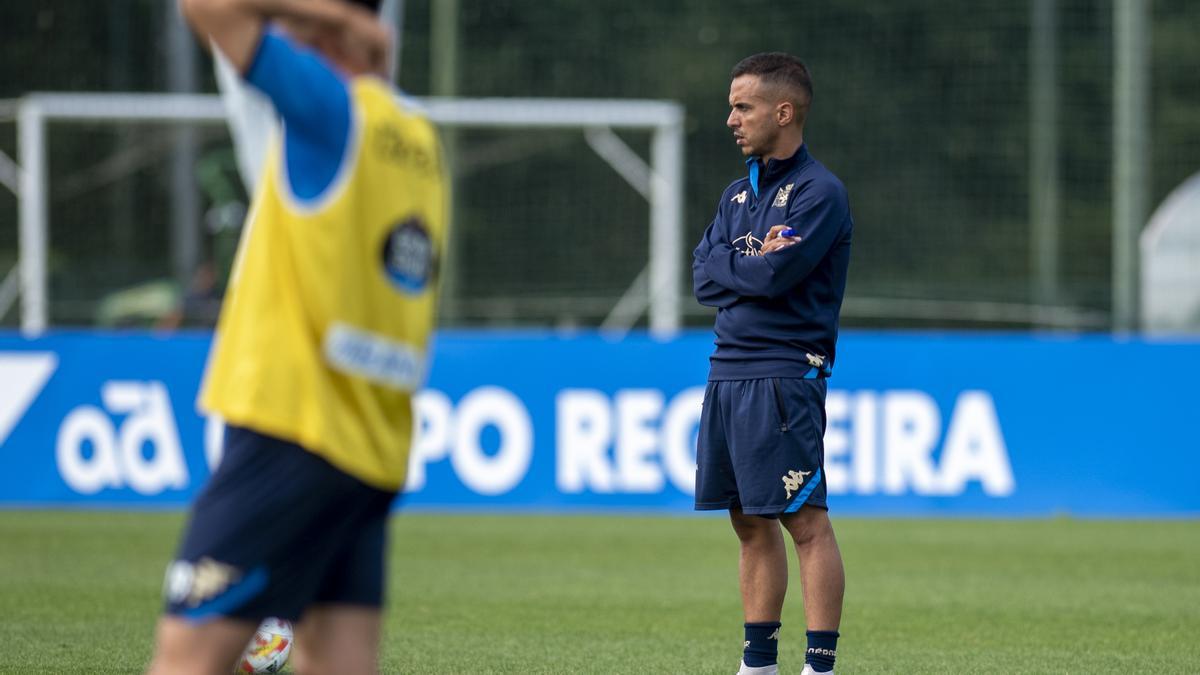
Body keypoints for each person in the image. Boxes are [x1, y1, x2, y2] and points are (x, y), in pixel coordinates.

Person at [148, 0, 447, 673]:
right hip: (369, 447)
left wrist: (331, 20)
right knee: (341, 661)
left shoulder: (327, 113)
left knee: (186, 658)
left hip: (289, 428)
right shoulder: (416, 135)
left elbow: (206, 7)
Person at [692, 52, 852, 675]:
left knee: (804, 521)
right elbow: (703, 275)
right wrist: (748, 266)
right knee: (748, 522)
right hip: (727, 370)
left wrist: (747, 267)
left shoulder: (820, 193)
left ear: (782, 112)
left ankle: (819, 667)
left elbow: (775, 275)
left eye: (743, 106)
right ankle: (758, 666)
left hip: (785, 372)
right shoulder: (736, 194)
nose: (730, 118)